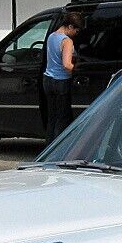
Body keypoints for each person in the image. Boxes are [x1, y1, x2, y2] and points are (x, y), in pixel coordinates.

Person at [43, 10, 81, 143]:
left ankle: (49, 146)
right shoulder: (66, 41)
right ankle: (59, 148)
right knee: (62, 117)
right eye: (76, 30)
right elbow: (66, 64)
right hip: (62, 81)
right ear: (70, 26)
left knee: (52, 117)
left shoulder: (51, 36)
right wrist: (77, 69)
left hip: (48, 79)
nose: (76, 34)